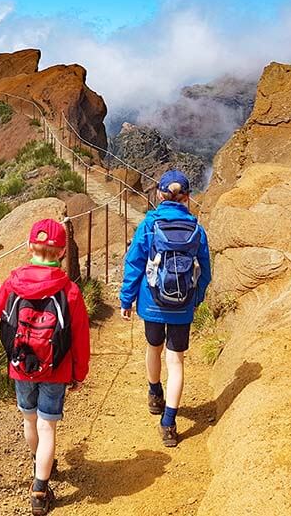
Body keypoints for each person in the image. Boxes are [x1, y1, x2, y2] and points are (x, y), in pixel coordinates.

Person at [0, 218, 90, 515]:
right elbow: (80, 337)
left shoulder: (14, 280)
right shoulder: (69, 291)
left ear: (30, 246)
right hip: (55, 369)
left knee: (30, 422)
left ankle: (39, 463)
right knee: (48, 426)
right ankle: (40, 490)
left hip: (21, 366)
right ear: (62, 252)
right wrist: (78, 373)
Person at [119, 170, 211, 448]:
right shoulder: (196, 228)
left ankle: (154, 393)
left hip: (152, 302)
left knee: (153, 348)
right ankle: (169, 423)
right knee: (177, 361)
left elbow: (133, 263)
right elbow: (205, 271)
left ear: (159, 195)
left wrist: (127, 299)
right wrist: (195, 300)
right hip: (183, 304)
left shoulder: (149, 223)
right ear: (187, 197)